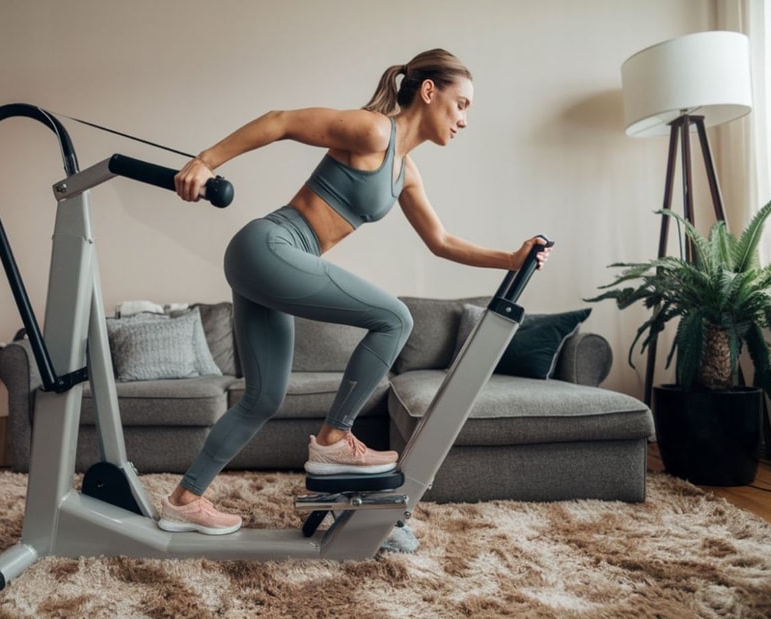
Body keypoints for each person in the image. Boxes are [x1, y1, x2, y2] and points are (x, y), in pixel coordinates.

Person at [161, 49, 550, 535]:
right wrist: (205, 161)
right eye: (462, 104)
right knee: (394, 318)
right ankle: (333, 438)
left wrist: (511, 259)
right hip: (270, 244)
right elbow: (281, 121)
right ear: (429, 92)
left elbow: (442, 242)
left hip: (270, 260)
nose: (465, 120)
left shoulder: (405, 171)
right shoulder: (374, 130)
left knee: (263, 397)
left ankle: (184, 498)